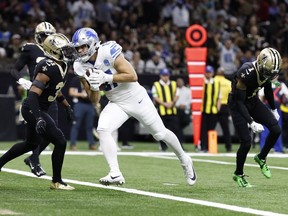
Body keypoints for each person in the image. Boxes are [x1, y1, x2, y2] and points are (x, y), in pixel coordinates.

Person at [71, 27, 196, 186]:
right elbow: (94, 100)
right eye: (78, 48)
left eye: (83, 46)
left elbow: (132, 76)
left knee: (160, 134)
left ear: (93, 44)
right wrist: (94, 86)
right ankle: (115, 173)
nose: (80, 51)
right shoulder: (80, 66)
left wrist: (106, 77)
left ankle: (185, 159)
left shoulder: (108, 51)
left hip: (136, 97)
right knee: (103, 129)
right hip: (116, 101)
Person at [0, 33, 76, 190]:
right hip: (33, 108)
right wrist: (39, 117)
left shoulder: (62, 65)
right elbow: (33, 96)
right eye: (64, 50)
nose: (68, 53)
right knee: (60, 141)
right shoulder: (47, 67)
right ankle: (57, 181)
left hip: (38, 108)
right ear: (54, 51)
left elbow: (57, 89)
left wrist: (66, 106)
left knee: (30, 144)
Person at [228, 47, 282, 187]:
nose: (269, 76)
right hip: (237, 104)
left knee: (276, 130)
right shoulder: (246, 72)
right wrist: (251, 122)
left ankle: (261, 157)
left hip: (253, 100)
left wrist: (274, 109)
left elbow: (268, 88)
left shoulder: (266, 72)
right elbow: (239, 102)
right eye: (268, 72)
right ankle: (238, 174)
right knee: (246, 142)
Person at [10, 22, 57, 177]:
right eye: (44, 35)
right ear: (38, 37)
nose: (47, 38)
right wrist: (21, 80)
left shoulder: (57, 50)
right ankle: (35, 161)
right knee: (36, 133)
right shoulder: (31, 48)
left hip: (51, 96)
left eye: (49, 35)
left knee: (52, 134)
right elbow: (14, 69)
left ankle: (32, 158)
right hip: (35, 96)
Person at [152, 68, 182, 151]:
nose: (165, 77)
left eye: (167, 75)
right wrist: (164, 104)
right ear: (161, 76)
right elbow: (155, 96)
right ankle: (163, 146)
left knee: (176, 129)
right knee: (161, 130)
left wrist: (172, 102)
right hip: (162, 111)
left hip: (172, 111)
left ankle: (180, 147)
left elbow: (177, 94)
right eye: (164, 75)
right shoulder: (156, 84)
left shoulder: (173, 84)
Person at [69, 75, 97, 150]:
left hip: (90, 104)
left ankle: (91, 144)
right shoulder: (76, 79)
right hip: (79, 104)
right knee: (76, 125)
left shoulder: (92, 78)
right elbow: (71, 92)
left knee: (90, 126)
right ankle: (73, 144)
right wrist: (81, 94)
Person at [200, 65, 221, 152]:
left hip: (213, 110)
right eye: (207, 72)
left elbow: (219, 97)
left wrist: (218, 108)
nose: (208, 74)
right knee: (203, 129)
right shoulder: (201, 82)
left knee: (211, 129)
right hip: (203, 110)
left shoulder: (216, 83)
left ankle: (210, 147)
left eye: (209, 72)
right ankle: (203, 146)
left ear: (212, 73)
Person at [214, 67, 232, 152]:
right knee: (226, 129)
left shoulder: (213, 81)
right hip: (225, 106)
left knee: (210, 127)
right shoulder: (228, 83)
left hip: (213, 105)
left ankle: (206, 145)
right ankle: (228, 147)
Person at [175, 77, 192, 145]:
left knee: (181, 125)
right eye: (178, 82)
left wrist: (184, 105)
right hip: (177, 109)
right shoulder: (174, 90)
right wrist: (177, 105)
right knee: (177, 126)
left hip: (185, 110)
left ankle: (180, 139)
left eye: (180, 81)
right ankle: (180, 141)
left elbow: (190, 99)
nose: (179, 83)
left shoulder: (187, 90)